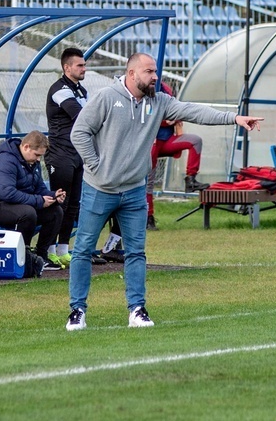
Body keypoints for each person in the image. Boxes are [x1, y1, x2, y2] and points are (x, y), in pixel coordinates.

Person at [66, 53, 263, 331]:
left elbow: (193, 111)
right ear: (132, 74)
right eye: (149, 71)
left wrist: (234, 118)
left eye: (155, 71)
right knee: (83, 250)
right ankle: (77, 310)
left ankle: (137, 309)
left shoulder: (158, 101)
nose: (155, 76)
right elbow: (80, 133)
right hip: (100, 189)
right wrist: (96, 165)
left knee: (136, 252)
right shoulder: (107, 98)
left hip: (134, 191)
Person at [0, 131, 66, 269]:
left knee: (55, 211)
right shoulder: (5, 161)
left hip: (16, 205)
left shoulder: (31, 162)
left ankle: (41, 256)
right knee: (27, 213)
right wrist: (39, 201)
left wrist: (53, 195)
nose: (38, 160)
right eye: (37, 155)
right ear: (26, 147)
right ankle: (23, 256)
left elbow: (39, 188)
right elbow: (7, 193)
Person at [145, 82, 210, 231]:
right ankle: (148, 218)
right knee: (148, 183)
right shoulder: (141, 90)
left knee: (195, 141)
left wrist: (175, 118)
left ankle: (191, 179)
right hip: (151, 143)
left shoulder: (165, 89)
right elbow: (144, 115)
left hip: (167, 140)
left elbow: (175, 109)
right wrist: (164, 121)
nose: (153, 76)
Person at [44, 47, 88, 268]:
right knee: (58, 202)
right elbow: (80, 115)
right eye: (79, 65)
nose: (84, 68)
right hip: (60, 154)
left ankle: (63, 249)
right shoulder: (59, 89)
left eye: (84, 64)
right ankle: (49, 251)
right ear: (66, 67)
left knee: (73, 204)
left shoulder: (81, 90)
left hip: (77, 154)